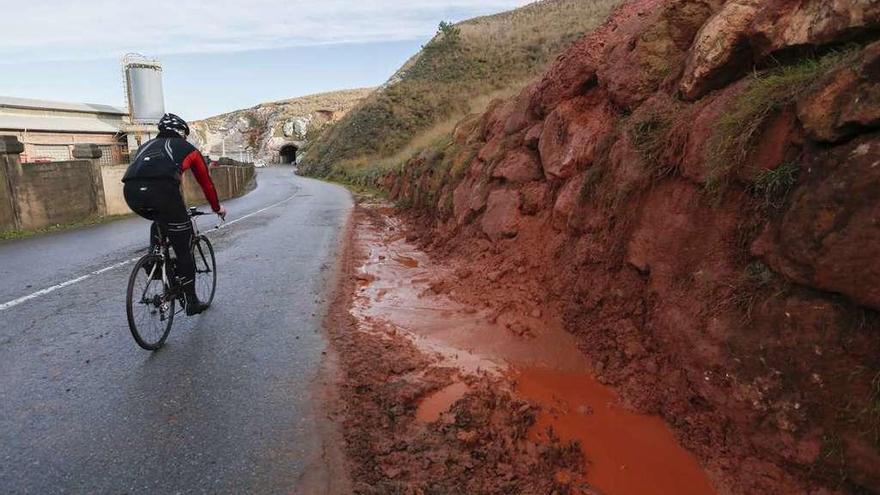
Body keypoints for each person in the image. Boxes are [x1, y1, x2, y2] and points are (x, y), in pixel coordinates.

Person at [122, 113, 227, 315]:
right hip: (163, 193)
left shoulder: (145, 147)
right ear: (181, 132)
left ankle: (155, 258)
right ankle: (191, 301)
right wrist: (216, 208)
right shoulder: (188, 149)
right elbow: (206, 183)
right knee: (183, 247)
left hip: (131, 193)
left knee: (159, 221)